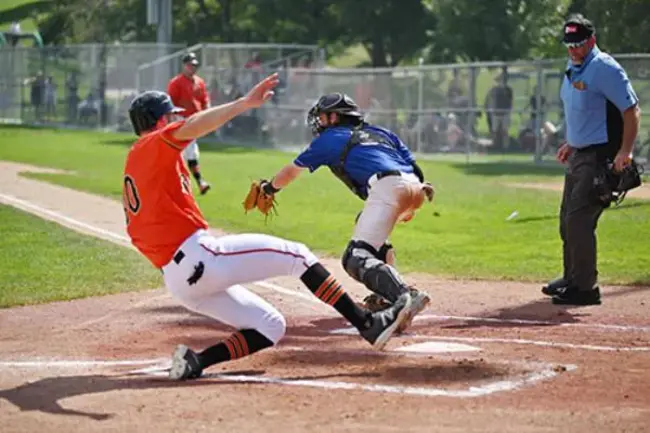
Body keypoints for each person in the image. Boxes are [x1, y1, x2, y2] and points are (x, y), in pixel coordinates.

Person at [123, 74, 416, 381]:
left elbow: (139, 234)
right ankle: (368, 325)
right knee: (298, 256)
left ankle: (196, 361)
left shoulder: (140, 161)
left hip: (180, 281)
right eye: (170, 116)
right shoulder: (154, 143)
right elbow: (195, 125)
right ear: (157, 122)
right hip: (198, 257)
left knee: (270, 325)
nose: (175, 120)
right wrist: (243, 104)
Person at [251, 93, 433, 332]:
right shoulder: (381, 132)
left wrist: (269, 188)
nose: (320, 122)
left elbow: (292, 171)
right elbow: (415, 168)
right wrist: (412, 199)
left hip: (388, 187)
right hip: (417, 187)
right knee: (368, 232)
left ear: (335, 117)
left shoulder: (331, 138)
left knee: (355, 257)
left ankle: (404, 296)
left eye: (323, 117)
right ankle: (390, 297)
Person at [542, 14, 641, 305]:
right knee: (566, 220)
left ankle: (585, 288)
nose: (573, 50)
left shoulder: (604, 67)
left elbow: (631, 110)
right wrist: (571, 143)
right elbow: (584, 112)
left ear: (592, 41)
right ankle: (572, 277)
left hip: (599, 156)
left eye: (579, 44)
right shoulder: (573, 67)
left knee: (579, 221)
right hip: (579, 155)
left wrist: (626, 151)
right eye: (569, 44)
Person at [167, 52, 211, 195]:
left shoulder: (199, 82)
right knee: (189, 151)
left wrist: (208, 114)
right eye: (190, 65)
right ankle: (199, 182)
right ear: (184, 66)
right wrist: (170, 121)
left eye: (194, 65)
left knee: (186, 152)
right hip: (181, 119)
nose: (193, 68)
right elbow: (170, 103)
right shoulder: (176, 82)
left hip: (196, 119)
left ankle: (186, 183)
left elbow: (205, 100)